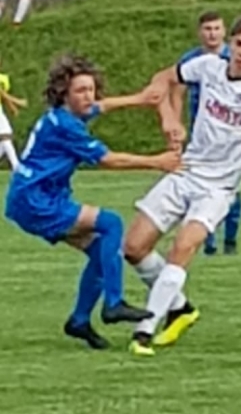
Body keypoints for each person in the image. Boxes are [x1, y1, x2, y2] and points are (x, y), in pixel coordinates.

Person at [124, 14, 241, 357]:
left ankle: (144, 331)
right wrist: (169, 117)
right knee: (133, 247)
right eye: (239, 44)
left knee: (183, 246)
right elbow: (164, 78)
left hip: (219, 189)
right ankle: (180, 309)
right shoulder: (208, 67)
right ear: (230, 44)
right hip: (186, 170)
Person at [4, 54, 182, 349]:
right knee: (111, 223)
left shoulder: (65, 115)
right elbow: (108, 160)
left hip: (33, 197)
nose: (89, 96)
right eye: (80, 91)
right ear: (64, 94)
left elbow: (101, 106)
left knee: (102, 251)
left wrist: (138, 99)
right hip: (37, 201)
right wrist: (157, 161)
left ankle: (79, 321)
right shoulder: (67, 126)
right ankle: (113, 303)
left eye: (91, 89)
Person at [173, 11, 241, 256]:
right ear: (200, 32)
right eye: (207, 29)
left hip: (230, 135)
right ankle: (208, 242)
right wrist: (176, 123)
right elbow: (177, 91)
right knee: (200, 186)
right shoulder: (191, 59)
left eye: (216, 28)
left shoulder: (235, 58)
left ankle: (231, 240)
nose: (212, 34)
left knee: (231, 186)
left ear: (224, 32)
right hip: (200, 136)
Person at [0, 57, 26, 171]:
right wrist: (17, 102)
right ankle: (16, 166)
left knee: (5, 137)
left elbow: (2, 96)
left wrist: (12, 107)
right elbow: (2, 93)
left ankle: (16, 166)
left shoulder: (3, 78)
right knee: (6, 135)